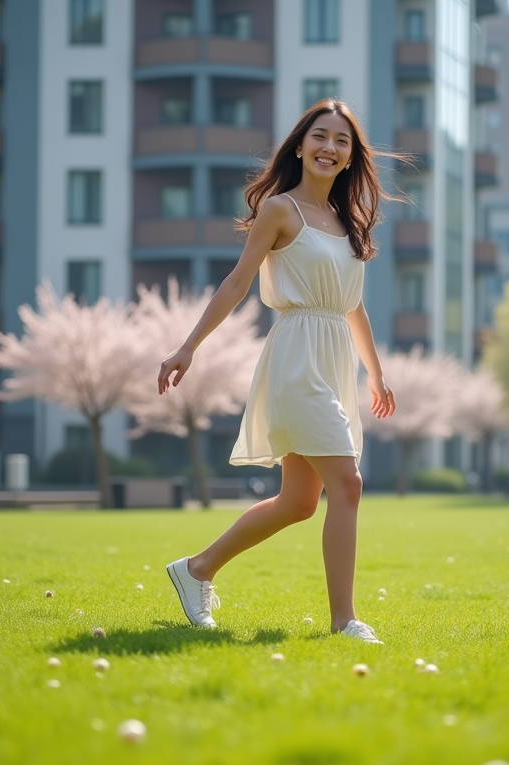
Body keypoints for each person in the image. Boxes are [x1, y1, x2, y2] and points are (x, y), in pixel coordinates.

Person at [157, 99, 397, 644]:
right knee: (348, 483)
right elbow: (238, 282)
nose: (329, 148)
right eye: (319, 136)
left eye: (341, 141)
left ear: (350, 157)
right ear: (299, 144)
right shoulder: (279, 210)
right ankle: (344, 621)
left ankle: (196, 570)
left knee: (299, 502)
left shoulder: (347, 221)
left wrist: (376, 375)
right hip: (295, 359)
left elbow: (352, 304)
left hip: (333, 359)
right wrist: (188, 346)